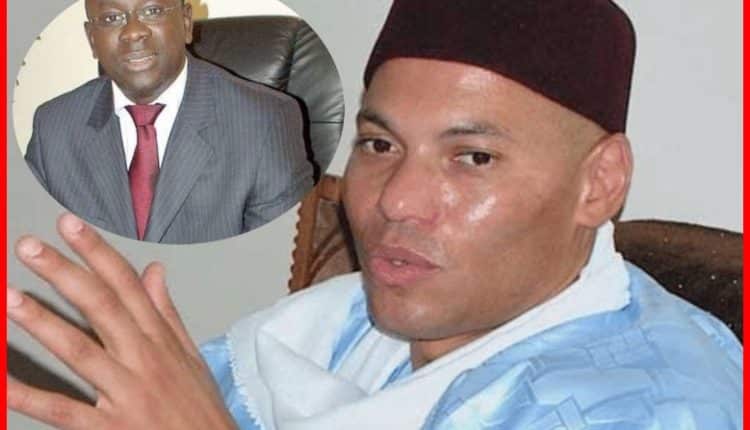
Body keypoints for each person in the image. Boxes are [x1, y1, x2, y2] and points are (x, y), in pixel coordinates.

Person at [7, 0, 741, 429]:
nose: (395, 200)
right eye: (379, 144)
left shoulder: (657, 405)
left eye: (473, 157)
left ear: (599, 183)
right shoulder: (334, 326)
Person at [24, 0, 313, 244]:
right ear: (92, 40)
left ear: (186, 22)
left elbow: (275, 256)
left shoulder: (265, 121)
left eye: (152, 11)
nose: (133, 32)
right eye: (112, 18)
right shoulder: (53, 126)